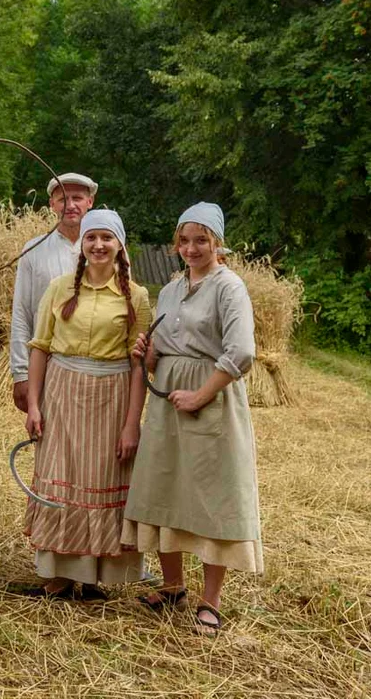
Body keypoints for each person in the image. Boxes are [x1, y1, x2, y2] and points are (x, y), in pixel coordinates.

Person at [122, 202, 262, 636]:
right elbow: (162, 346)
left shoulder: (229, 287)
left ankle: (211, 600)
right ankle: (172, 586)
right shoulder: (169, 289)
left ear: (217, 243)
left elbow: (241, 351)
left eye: (201, 240)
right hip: (167, 399)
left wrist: (201, 394)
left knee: (209, 495)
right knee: (165, 485)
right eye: (184, 240)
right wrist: (147, 355)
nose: (191, 248)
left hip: (210, 398)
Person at [23, 209, 150, 598]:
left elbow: (140, 364)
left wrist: (132, 424)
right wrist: (33, 404)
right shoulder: (61, 288)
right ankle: (58, 578)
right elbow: (40, 348)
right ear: (82, 245)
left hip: (110, 397)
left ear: (119, 246)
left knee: (101, 479)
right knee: (63, 477)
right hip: (62, 393)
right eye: (91, 238)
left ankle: (94, 577)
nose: (98, 245)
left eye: (106, 239)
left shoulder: (137, 297)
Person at [10, 173, 97, 412]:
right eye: (62, 199)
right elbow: (22, 312)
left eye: (78, 198)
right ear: (52, 204)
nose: (70, 205)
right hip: (47, 367)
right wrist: (21, 373)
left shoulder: (107, 248)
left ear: (90, 202)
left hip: (98, 367)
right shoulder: (34, 250)